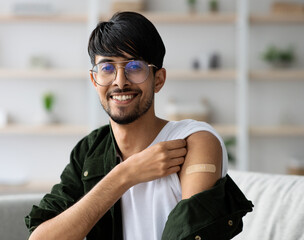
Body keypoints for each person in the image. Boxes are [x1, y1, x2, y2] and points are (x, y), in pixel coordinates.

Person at [25, 11, 253, 240]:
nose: (120, 81)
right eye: (107, 68)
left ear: (159, 79)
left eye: (134, 67)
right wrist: (125, 175)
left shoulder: (194, 141)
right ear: (95, 81)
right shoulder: (90, 150)